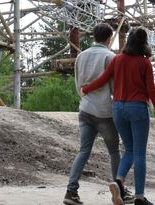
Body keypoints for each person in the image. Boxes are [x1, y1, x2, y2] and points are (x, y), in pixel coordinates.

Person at [81, 27, 155, 205]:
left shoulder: (117, 59)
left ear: (128, 41)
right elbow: (151, 90)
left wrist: (86, 89)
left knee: (129, 149)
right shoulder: (144, 63)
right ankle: (139, 198)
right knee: (140, 154)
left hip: (118, 108)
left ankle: (118, 181)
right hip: (138, 109)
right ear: (144, 43)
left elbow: (103, 79)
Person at [63, 23, 133, 205]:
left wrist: (86, 98)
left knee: (83, 151)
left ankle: (71, 191)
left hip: (85, 109)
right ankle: (121, 190)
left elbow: (79, 84)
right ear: (109, 38)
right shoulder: (111, 57)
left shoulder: (81, 56)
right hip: (104, 112)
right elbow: (115, 86)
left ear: (94, 36)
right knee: (114, 151)